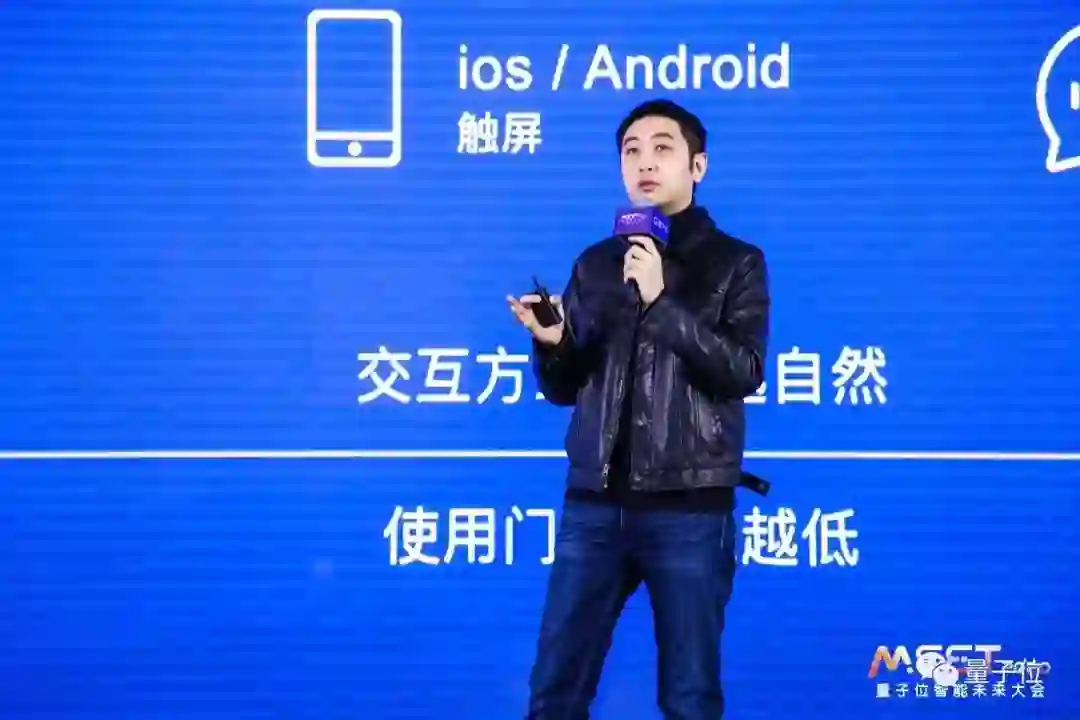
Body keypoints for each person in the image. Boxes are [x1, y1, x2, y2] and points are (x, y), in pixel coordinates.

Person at [507, 98, 771, 719]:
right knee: (554, 691)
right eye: (632, 151)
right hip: (594, 508)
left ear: (697, 165)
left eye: (662, 148)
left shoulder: (736, 262)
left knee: (689, 697)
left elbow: (743, 371)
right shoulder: (596, 263)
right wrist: (552, 344)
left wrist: (661, 303)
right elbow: (564, 389)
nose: (645, 162)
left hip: (690, 510)